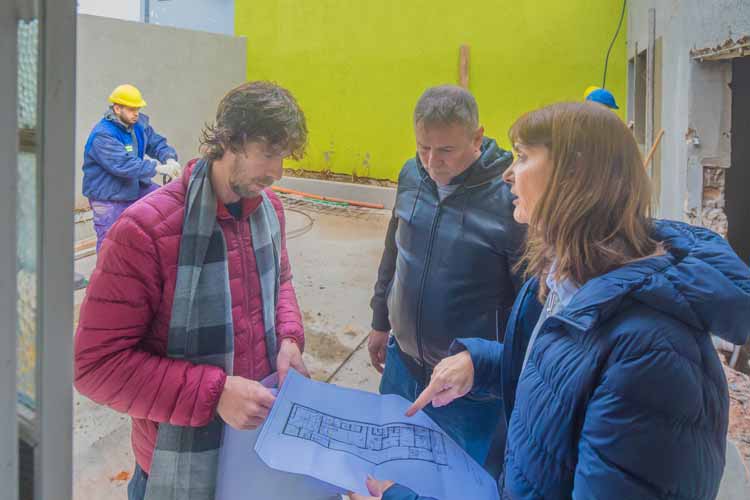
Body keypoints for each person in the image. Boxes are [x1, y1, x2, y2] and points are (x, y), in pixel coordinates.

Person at [353, 101, 750, 499]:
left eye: (523, 157)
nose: (508, 174)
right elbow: (559, 377)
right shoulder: (560, 281)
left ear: (572, 175)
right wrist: (483, 364)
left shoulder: (649, 351)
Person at [74, 81, 310, 500]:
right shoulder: (144, 231)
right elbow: (96, 367)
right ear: (229, 141)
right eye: (268, 153)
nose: (277, 172)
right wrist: (215, 394)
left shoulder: (269, 210)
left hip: (256, 456)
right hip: (175, 467)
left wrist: (289, 337)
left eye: (284, 156)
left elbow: (282, 282)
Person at [368, 85, 525, 469]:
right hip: (402, 366)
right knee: (391, 471)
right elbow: (394, 251)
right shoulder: (411, 174)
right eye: (423, 147)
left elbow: (529, 302)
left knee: (456, 479)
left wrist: (501, 367)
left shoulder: (511, 198)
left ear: (477, 137)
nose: (432, 162)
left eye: (446, 150)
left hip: (468, 388)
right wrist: (380, 320)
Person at [81, 83, 182, 252]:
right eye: (131, 109)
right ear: (117, 109)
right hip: (109, 196)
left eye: (138, 109)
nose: (136, 113)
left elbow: (156, 143)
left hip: (134, 186)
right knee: (110, 243)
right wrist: (158, 168)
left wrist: (169, 158)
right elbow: (123, 164)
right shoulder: (103, 134)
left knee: (167, 206)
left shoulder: (138, 125)